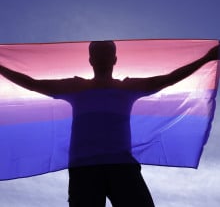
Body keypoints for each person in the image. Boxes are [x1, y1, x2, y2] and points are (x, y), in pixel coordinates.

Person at [0, 41, 219, 207]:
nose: (103, 57)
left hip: (120, 167)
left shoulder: (127, 87)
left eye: (106, 53)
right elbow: (32, 84)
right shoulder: (76, 87)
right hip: (85, 170)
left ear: (113, 60)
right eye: (98, 53)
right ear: (91, 60)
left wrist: (206, 59)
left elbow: (167, 79)